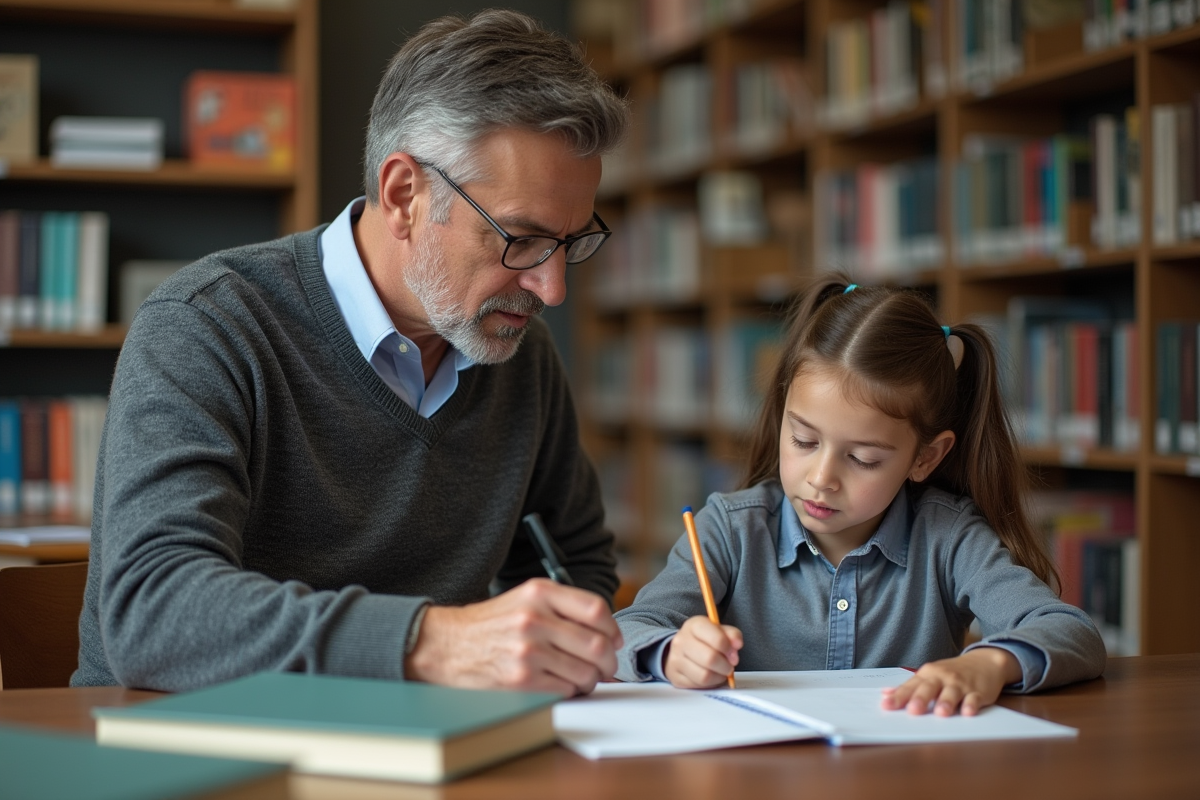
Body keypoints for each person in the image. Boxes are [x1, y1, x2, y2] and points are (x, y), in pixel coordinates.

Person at [72, 10, 630, 696]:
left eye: (571, 243)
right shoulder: (206, 325)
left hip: (423, 750)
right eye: (521, 239)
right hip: (188, 755)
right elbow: (153, 614)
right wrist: (432, 643)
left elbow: (573, 566)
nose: (553, 286)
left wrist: (572, 641)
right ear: (403, 196)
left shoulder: (520, 355)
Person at [614, 276, 1106, 716]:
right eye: (804, 441)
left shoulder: (948, 537)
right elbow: (629, 629)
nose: (822, 477)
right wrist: (671, 651)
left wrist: (991, 664)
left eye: (863, 459)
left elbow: (1071, 632)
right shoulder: (729, 529)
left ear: (925, 458)